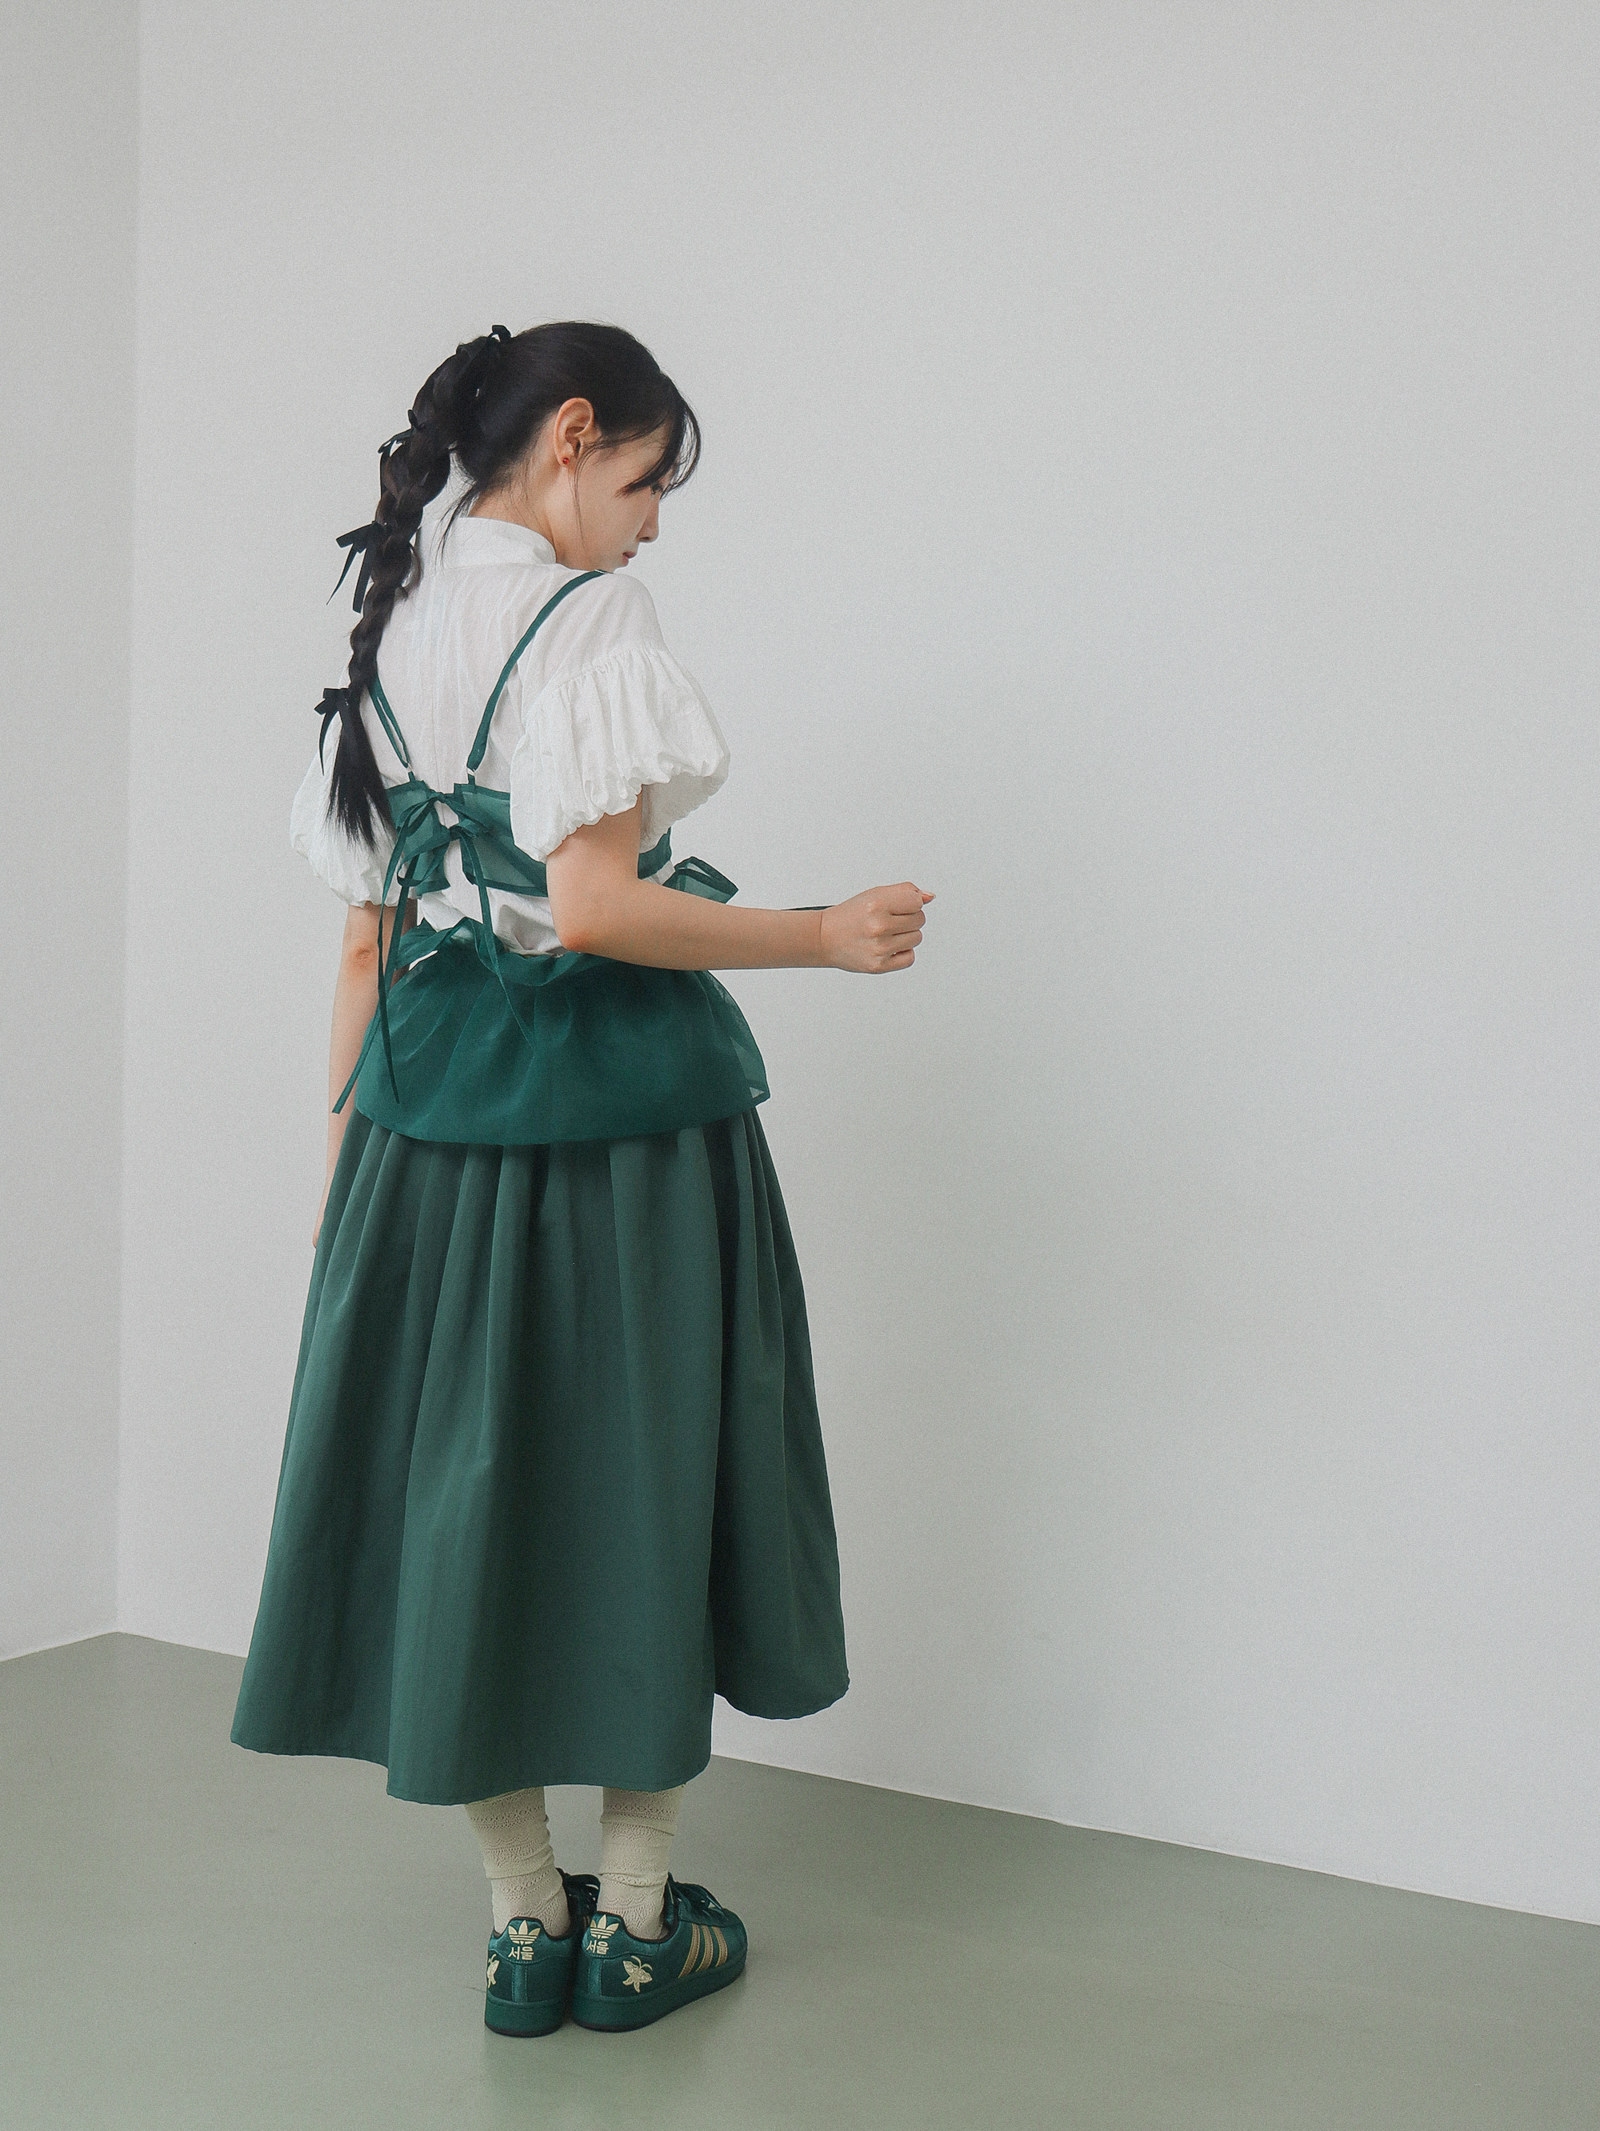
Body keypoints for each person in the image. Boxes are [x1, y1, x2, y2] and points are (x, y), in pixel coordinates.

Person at [230, 320, 933, 2036]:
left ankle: (519, 1922)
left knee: (459, 1504)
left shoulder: (389, 630)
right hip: (619, 1128)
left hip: (422, 1125)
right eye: (643, 478)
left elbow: (362, 946)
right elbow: (598, 908)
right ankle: (634, 1927)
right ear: (567, 437)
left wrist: (340, 1179)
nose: (652, 522)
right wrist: (822, 936)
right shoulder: (589, 617)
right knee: (641, 1482)